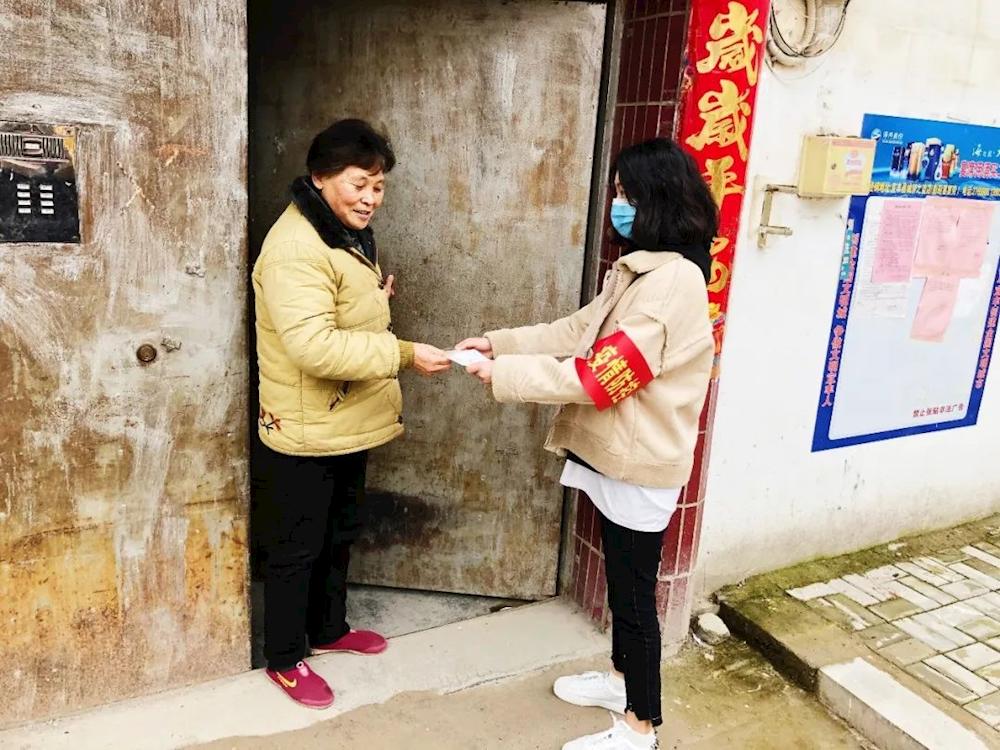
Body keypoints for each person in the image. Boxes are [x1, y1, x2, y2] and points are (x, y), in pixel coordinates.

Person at [457, 138, 716, 749]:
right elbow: (579, 330)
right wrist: (501, 343)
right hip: (612, 452)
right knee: (620, 583)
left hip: (639, 460)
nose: (617, 204)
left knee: (634, 597)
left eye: (627, 194)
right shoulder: (640, 269)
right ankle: (621, 683)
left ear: (657, 198)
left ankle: (641, 727)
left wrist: (504, 375)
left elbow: (602, 377)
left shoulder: (672, 284)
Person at [252, 119, 451, 709]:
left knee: (339, 530)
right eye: (358, 184)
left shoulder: (340, 231)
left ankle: (328, 629)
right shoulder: (295, 249)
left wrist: (372, 301)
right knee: (296, 548)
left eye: (378, 186)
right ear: (320, 177)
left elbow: (336, 310)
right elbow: (312, 347)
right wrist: (404, 353)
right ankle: (284, 658)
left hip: (344, 415)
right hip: (306, 424)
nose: (370, 198)